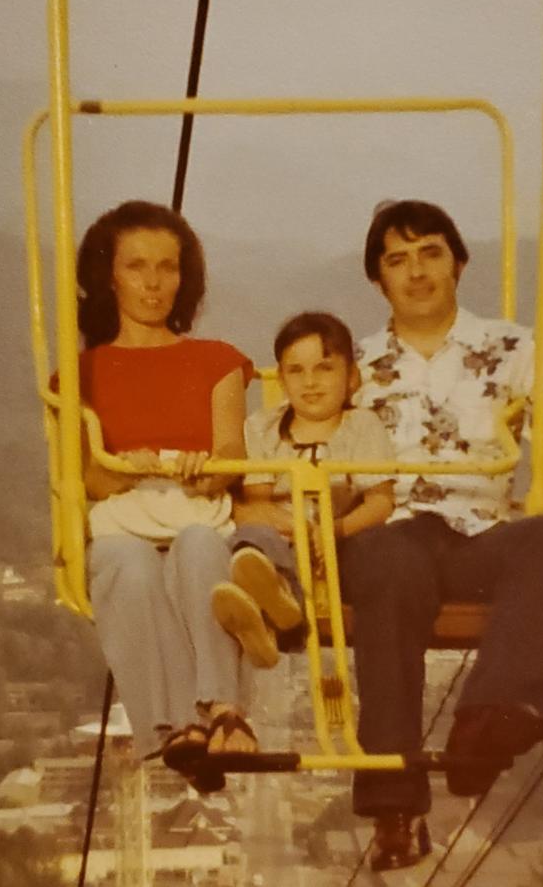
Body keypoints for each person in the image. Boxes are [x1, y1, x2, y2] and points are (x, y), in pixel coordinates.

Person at [339, 199, 543, 871]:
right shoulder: (352, 367)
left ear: (459, 262)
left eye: (430, 253)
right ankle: (394, 803)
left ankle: (488, 721)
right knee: (388, 562)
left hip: (478, 537)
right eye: (397, 260)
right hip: (389, 534)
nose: (416, 272)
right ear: (377, 279)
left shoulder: (518, 351)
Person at [74, 200, 273, 791]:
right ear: (109, 276)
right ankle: (175, 726)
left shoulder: (216, 362)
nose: (154, 283)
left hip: (194, 511)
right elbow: (89, 478)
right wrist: (128, 469)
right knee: (126, 565)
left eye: (168, 267)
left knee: (199, 544)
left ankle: (224, 709)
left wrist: (205, 471)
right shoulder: (82, 374)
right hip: (124, 517)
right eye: (137, 266)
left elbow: (230, 453)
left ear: (185, 278)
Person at [216, 311, 396, 662]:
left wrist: (331, 530)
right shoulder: (263, 427)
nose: (310, 382)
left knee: (368, 553)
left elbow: (380, 501)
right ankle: (276, 603)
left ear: (351, 376)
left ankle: (274, 618)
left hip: (337, 542)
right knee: (253, 539)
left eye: (324, 368)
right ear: (283, 379)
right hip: (282, 537)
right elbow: (258, 502)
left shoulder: (362, 425)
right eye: (296, 371)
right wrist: (296, 528)